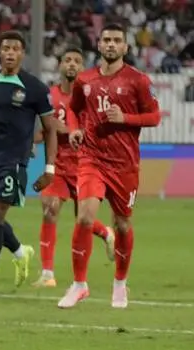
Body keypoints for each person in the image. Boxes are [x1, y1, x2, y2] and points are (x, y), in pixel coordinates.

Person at [58, 24, 161, 309]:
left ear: (126, 47)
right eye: (107, 40)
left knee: (123, 224)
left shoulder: (137, 80)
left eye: (117, 40)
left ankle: (119, 283)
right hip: (92, 159)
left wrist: (125, 118)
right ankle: (79, 285)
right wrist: (76, 130)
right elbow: (73, 109)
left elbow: (154, 116)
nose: (111, 44)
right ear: (99, 45)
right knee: (84, 217)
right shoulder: (85, 80)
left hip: (124, 164)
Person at [0, 30, 58, 298]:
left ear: (22, 54)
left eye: (15, 48)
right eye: (5, 47)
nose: (9, 52)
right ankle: (20, 251)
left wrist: (49, 167)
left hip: (14, 161)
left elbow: (50, 129)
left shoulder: (34, 87)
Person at [32, 47, 115, 288]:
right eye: (67, 60)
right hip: (56, 165)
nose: (71, 64)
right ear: (59, 65)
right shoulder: (49, 97)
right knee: (49, 209)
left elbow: (100, 131)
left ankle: (106, 233)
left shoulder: (90, 98)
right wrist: (29, 142)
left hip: (84, 165)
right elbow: (45, 130)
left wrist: (66, 129)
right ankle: (47, 274)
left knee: (84, 220)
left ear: (83, 68)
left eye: (77, 61)